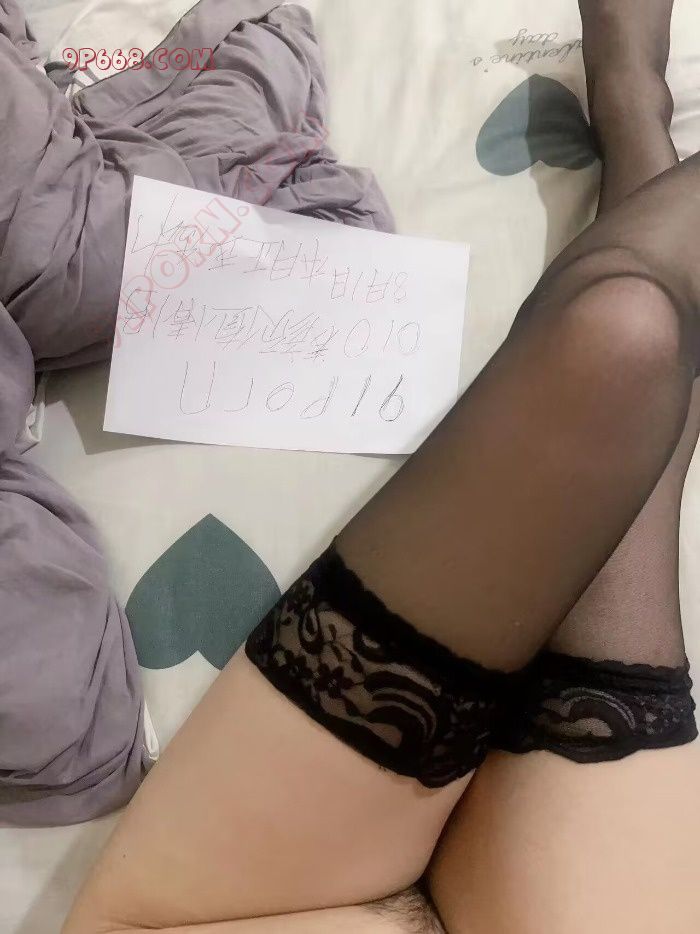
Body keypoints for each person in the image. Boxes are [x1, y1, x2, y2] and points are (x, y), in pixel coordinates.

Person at [63, 2, 700, 932]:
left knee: (618, 338)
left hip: (206, 914)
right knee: (622, 339)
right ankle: (634, 108)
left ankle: (630, 105)